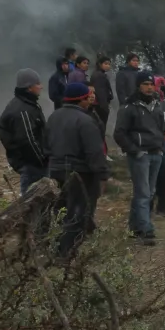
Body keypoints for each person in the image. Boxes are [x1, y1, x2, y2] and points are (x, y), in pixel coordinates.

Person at [44, 81, 110, 260]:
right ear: (81, 99)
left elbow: (46, 144)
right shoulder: (85, 121)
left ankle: (56, 247)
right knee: (77, 214)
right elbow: (94, 152)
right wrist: (102, 174)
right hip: (80, 174)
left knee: (60, 211)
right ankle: (65, 254)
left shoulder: (54, 116)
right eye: (87, 97)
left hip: (55, 170)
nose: (90, 100)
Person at [113, 72, 165, 245]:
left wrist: (161, 147)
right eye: (145, 84)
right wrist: (135, 151)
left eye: (151, 84)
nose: (149, 87)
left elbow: (162, 128)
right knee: (143, 193)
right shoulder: (129, 107)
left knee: (149, 192)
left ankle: (134, 228)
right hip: (140, 155)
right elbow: (119, 133)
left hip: (156, 153)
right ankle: (146, 230)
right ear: (138, 86)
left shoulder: (157, 105)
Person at [0, 69, 48, 193]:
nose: (41, 87)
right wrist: (43, 160)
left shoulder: (28, 104)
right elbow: (28, 140)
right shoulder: (23, 110)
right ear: (29, 87)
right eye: (38, 84)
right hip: (32, 166)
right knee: (34, 201)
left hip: (32, 165)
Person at [91, 56, 114, 141]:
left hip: (100, 104)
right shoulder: (99, 76)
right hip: (100, 105)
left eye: (109, 64)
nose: (108, 66)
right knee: (101, 126)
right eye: (105, 64)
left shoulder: (99, 74)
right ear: (100, 64)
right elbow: (100, 92)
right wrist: (104, 106)